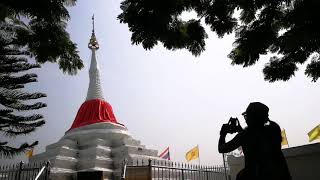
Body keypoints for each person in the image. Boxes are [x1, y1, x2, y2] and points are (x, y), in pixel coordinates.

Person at [218, 102, 291, 180]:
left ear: (252, 118)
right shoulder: (274, 129)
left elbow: (222, 149)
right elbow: (255, 138)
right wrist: (240, 130)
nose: (246, 119)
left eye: (247, 116)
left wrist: (223, 134)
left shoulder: (245, 135)